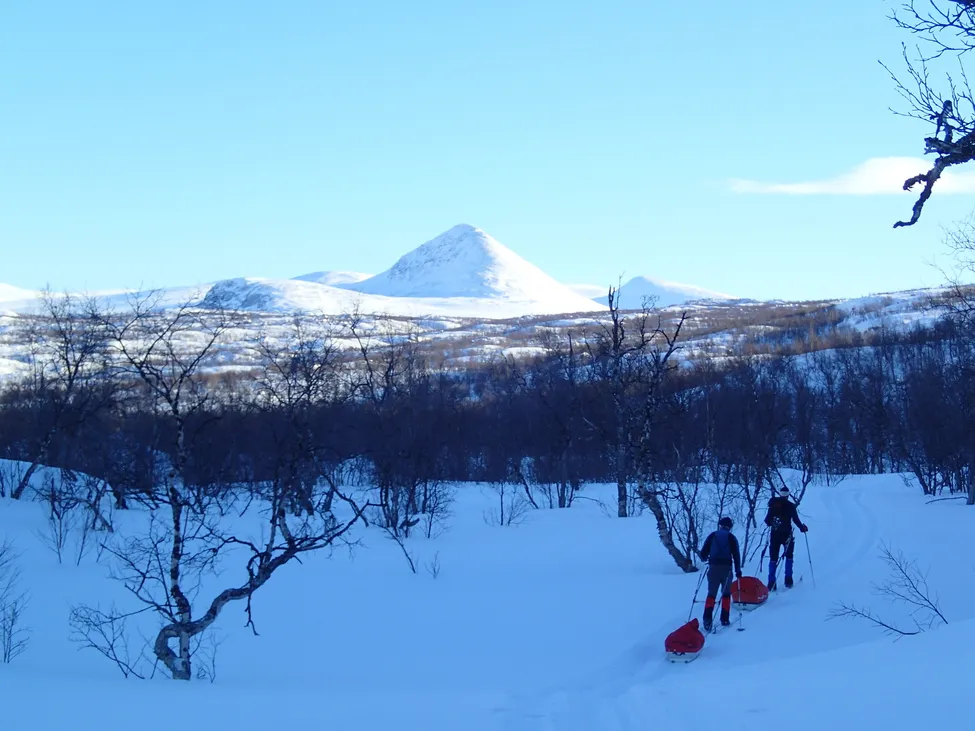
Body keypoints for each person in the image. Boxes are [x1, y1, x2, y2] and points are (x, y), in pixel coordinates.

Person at [698, 517, 743, 631]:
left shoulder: (712, 536)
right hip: (726, 569)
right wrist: (738, 571)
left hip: (713, 568)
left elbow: (703, 554)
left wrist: (706, 557)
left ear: (720, 525)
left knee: (711, 594)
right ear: (730, 527)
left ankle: (707, 619)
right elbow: (736, 556)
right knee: (726, 594)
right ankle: (725, 619)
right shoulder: (731, 538)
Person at [764, 486, 808, 589]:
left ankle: (771, 583)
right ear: (788, 495)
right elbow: (796, 520)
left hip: (775, 535)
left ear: (780, 494)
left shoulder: (773, 505)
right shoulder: (791, 506)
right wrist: (802, 528)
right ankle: (788, 580)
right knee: (789, 556)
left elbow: (767, 521)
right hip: (787, 534)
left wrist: (774, 523)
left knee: (773, 558)